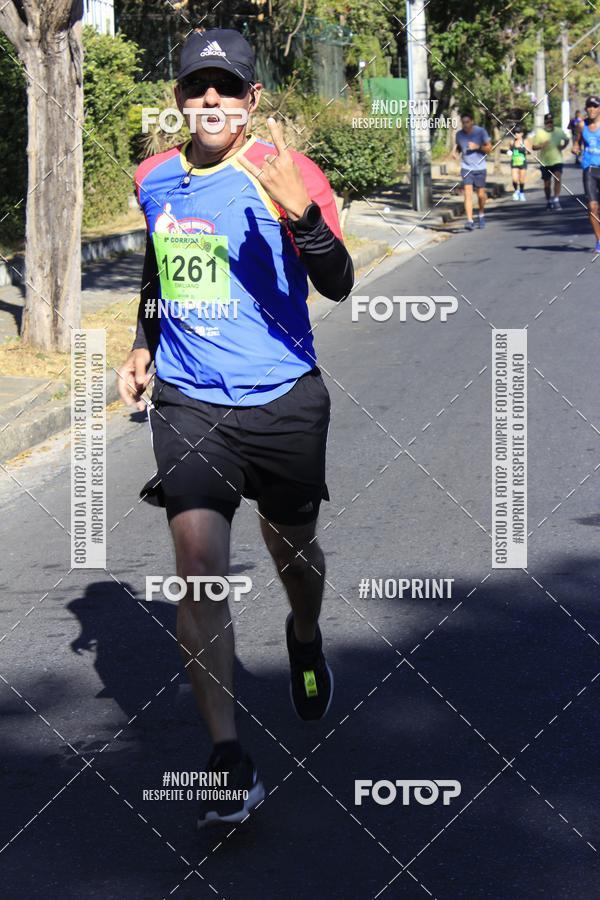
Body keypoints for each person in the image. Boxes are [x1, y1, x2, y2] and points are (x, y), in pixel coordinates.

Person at [117, 28, 354, 827]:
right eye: (197, 87)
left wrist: (301, 214)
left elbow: (339, 282)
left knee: (292, 548)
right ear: (180, 98)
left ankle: (305, 629)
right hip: (189, 403)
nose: (210, 99)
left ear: (252, 101)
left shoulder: (287, 173)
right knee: (198, 565)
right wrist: (145, 341)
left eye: (226, 87)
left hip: (285, 397)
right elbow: (157, 266)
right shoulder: (155, 179)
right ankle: (228, 758)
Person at [452, 111, 493, 230]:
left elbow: (490, 149)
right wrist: (455, 153)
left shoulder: (480, 132)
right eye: (463, 122)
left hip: (480, 168)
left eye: (467, 122)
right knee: (468, 194)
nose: (465, 125)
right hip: (466, 167)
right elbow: (459, 147)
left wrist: (478, 147)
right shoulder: (459, 134)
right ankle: (470, 220)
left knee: (480, 195)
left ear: (472, 122)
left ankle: (481, 214)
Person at [573, 95, 600, 252]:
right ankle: (599, 240)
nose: (591, 109)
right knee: (592, 207)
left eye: (595, 106)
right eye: (589, 106)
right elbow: (577, 142)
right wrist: (575, 148)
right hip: (589, 170)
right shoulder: (582, 125)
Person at [531, 113, 569, 210]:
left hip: (557, 160)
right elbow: (533, 147)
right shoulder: (539, 133)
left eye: (551, 122)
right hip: (545, 161)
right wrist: (541, 146)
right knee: (547, 184)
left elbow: (567, 139)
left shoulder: (559, 131)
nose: (549, 124)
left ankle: (556, 200)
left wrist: (563, 146)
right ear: (544, 123)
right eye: (547, 122)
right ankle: (549, 201)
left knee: (558, 178)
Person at [508, 125, 529, 201]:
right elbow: (509, 150)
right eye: (515, 132)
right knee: (514, 179)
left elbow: (529, 151)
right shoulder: (511, 142)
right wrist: (509, 152)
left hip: (522, 163)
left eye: (518, 132)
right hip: (514, 163)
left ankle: (522, 192)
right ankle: (516, 191)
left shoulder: (525, 141)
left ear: (522, 134)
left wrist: (526, 149)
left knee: (522, 180)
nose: (516, 134)